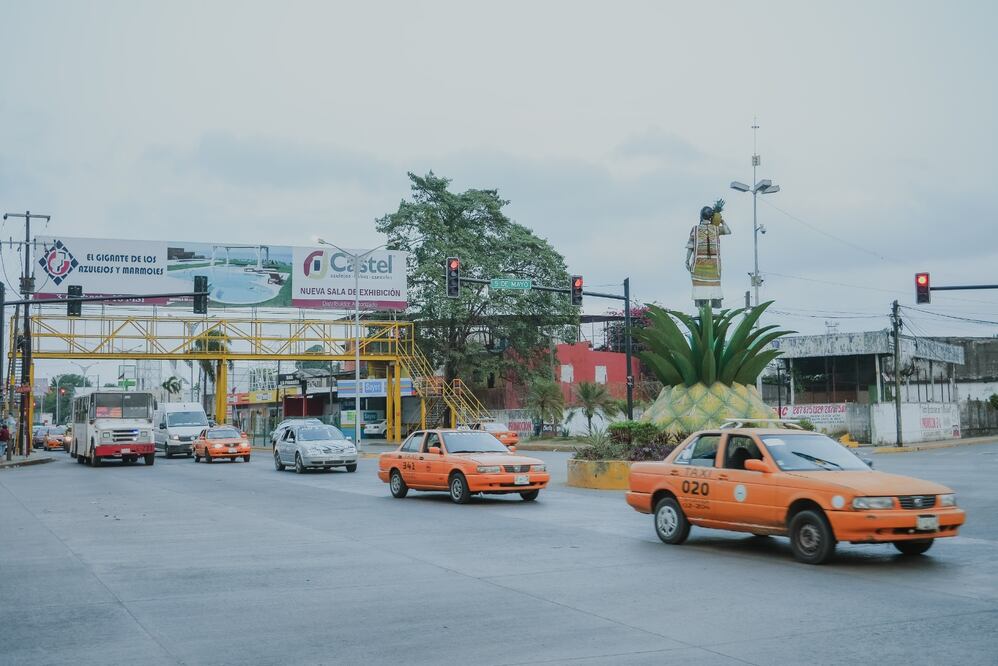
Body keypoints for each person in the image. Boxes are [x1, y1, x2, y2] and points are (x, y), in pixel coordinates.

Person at [686, 200, 731, 309]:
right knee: (712, 289)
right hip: (713, 266)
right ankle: (709, 312)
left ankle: (703, 312)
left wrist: (686, 261)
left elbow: (690, 247)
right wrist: (722, 221)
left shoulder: (695, 229)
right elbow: (728, 231)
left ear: (701, 216)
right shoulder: (715, 229)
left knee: (701, 291)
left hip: (699, 265)